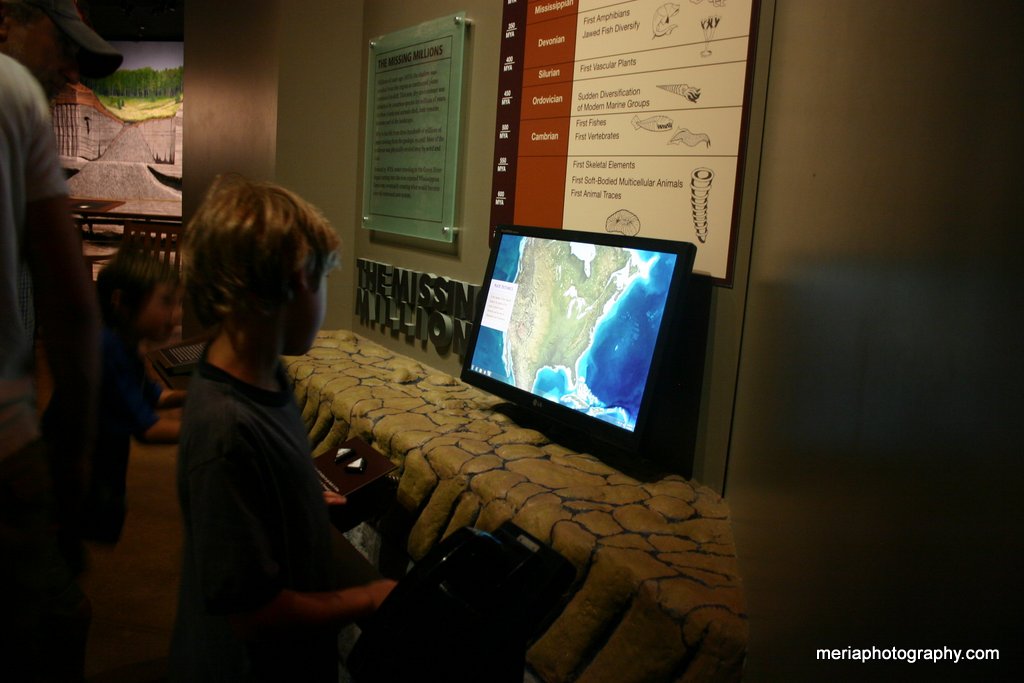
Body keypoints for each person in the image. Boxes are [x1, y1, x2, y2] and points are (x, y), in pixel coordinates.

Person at [169, 175, 397, 682]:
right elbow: (254, 614)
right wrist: (370, 596)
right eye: (324, 279)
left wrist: (297, 504)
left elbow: (256, 498)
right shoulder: (226, 430)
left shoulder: (267, 374)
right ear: (296, 282)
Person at [0, 1, 120, 679]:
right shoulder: (13, 89)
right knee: (55, 622)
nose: (71, 70)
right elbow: (71, 304)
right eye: (62, 44)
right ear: (5, 20)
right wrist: (72, 461)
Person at [84, 247, 186, 543]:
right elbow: (147, 429)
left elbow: (153, 396)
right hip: (80, 474)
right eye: (166, 302)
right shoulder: (107, 348)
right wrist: (213, 427)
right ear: (121, 302)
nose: (177, 313)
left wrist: (193, 396)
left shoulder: (126, 344)